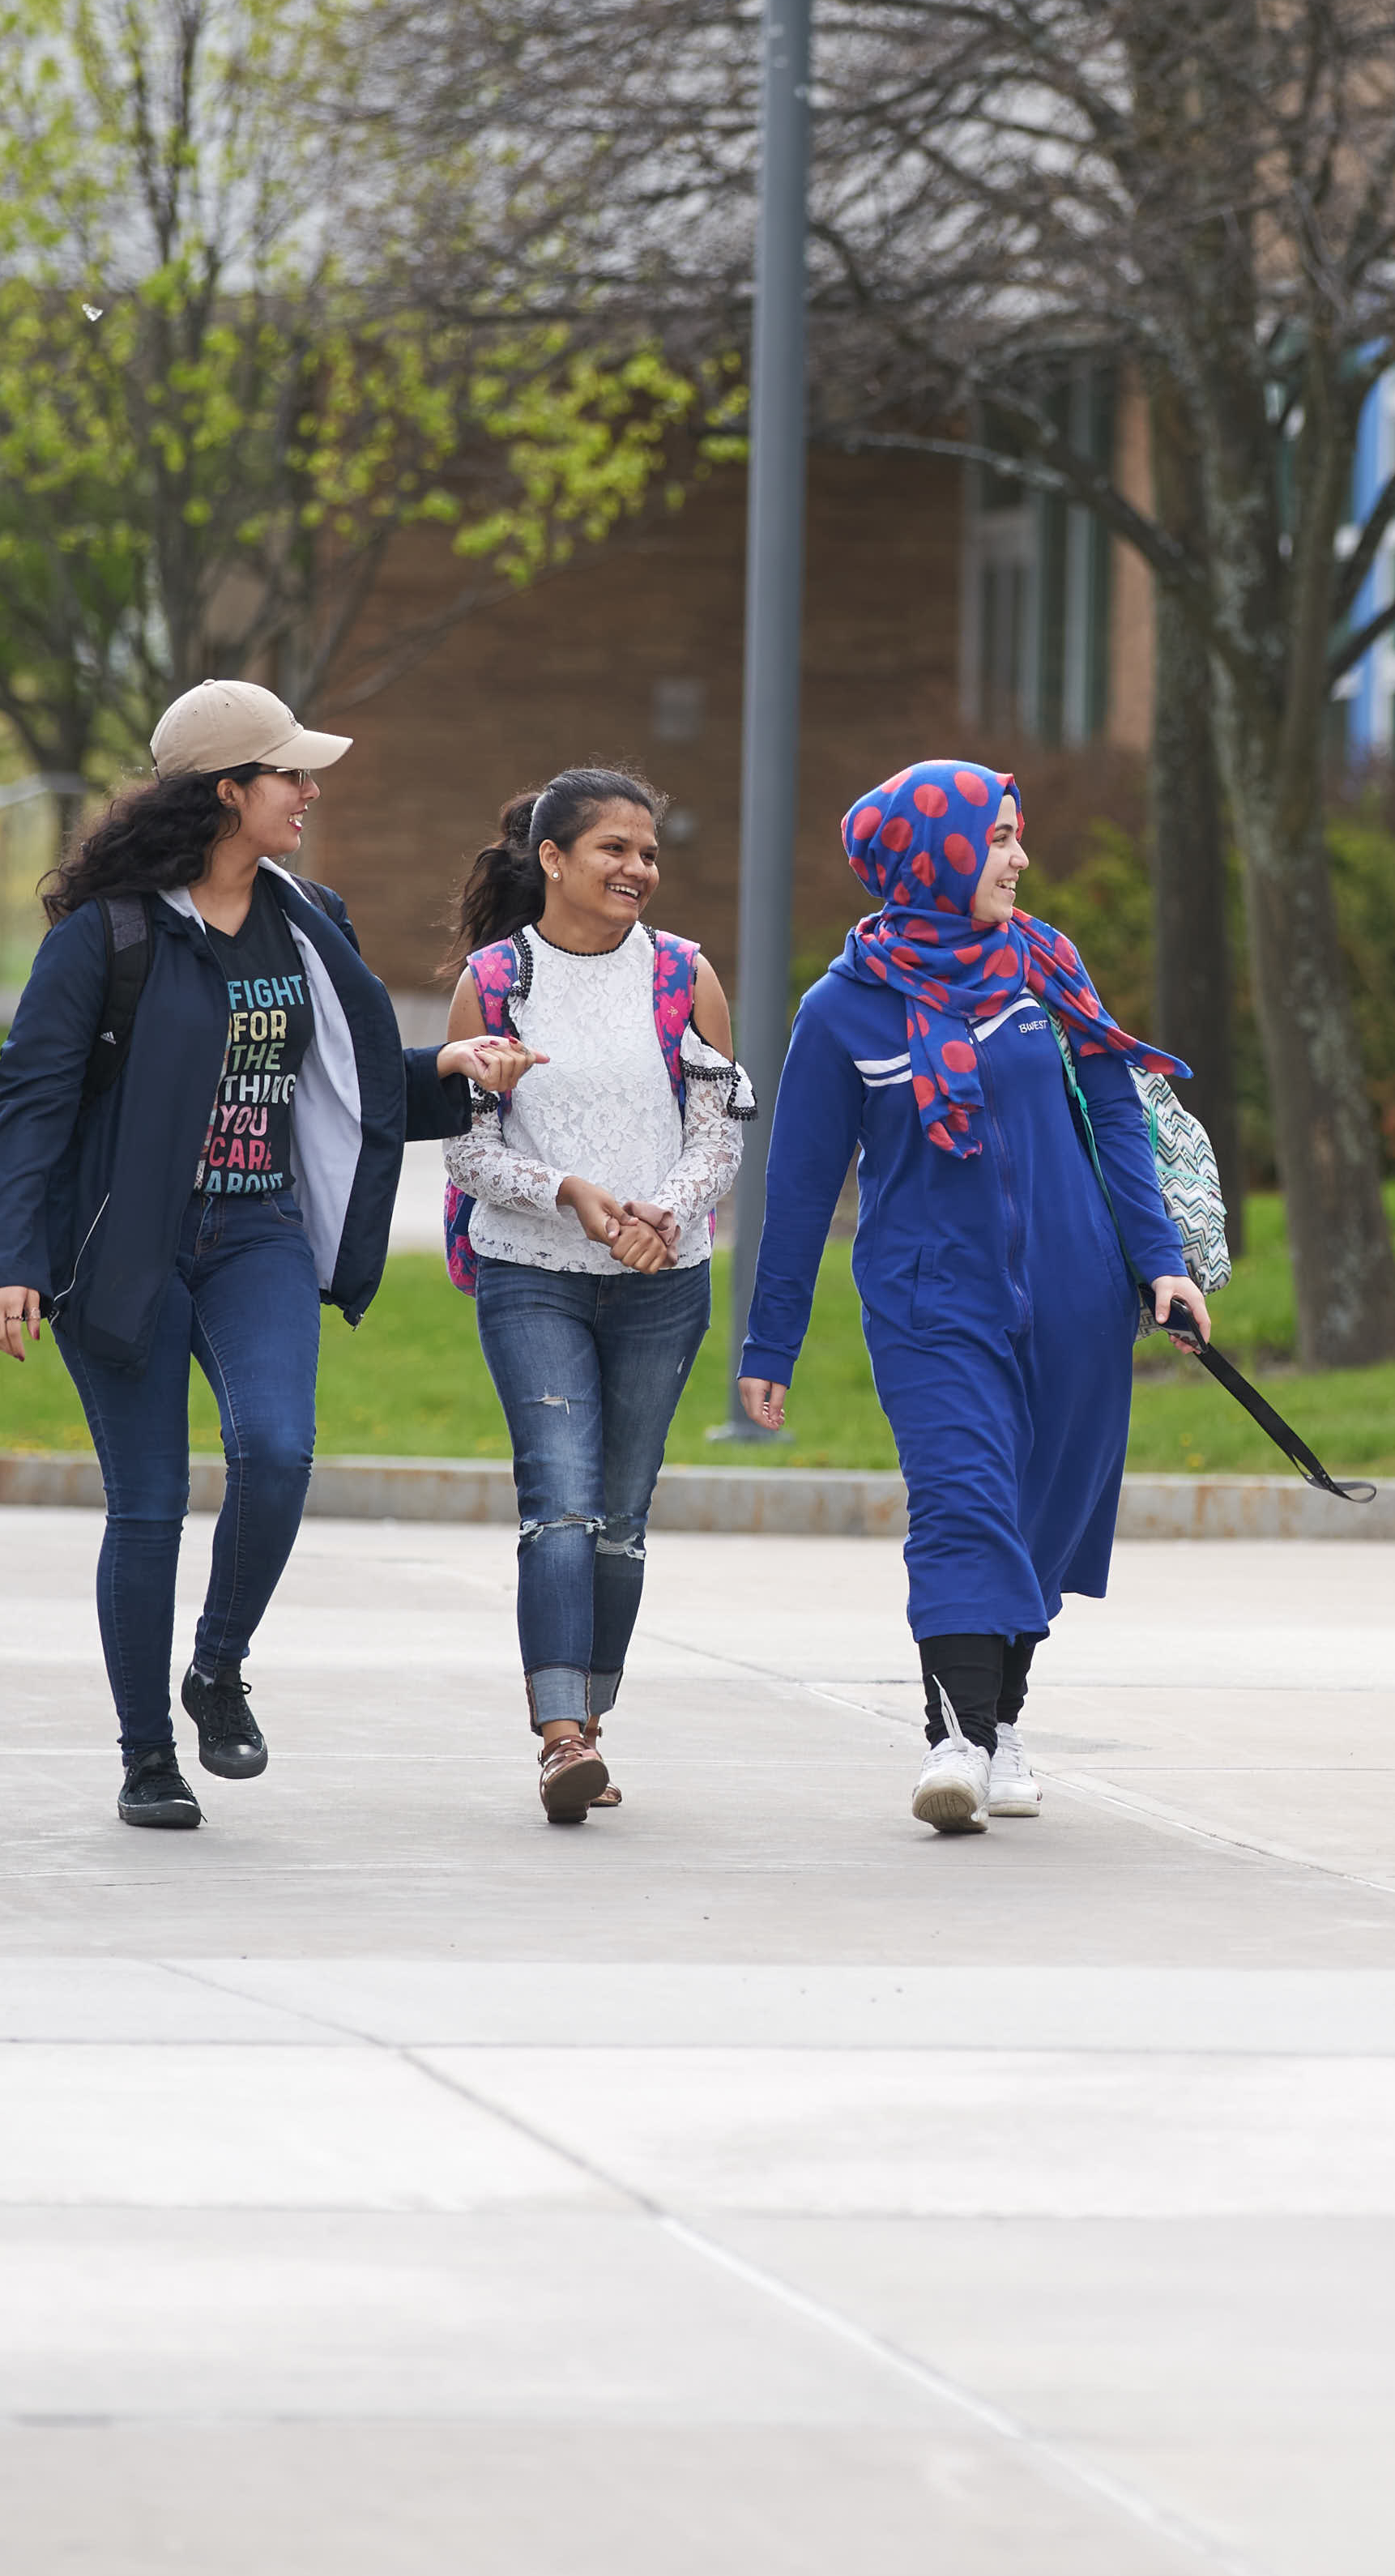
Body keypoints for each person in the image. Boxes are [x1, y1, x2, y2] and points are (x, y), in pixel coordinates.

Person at [0, 680, 536, 1831]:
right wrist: (7, 1263)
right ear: (228, 793)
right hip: (125, 1246)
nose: (310, 792)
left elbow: (353, 1086)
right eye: (289, 775)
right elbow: (25, 1104)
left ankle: (217, 1668)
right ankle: (146, 1759)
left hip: (257, 1231)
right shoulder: (108, 937)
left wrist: (452, 1069)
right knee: (150, 1503)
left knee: (277, 1451)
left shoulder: (307, 916)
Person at [729, 761, 1212, 1836]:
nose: (1019, 857)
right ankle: (956, 1738)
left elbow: (1116, 1117)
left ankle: (1002, 1726)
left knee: (1038, 1517)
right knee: (961, 1501)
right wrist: (770, 1344)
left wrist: (1160, 1261)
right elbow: (800, 1187)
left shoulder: (1045, 963)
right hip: (928, 1297)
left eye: (1017, 834)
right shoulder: (843, 1007)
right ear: (933, 850)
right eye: (997, 837)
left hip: (1078, 1289)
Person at [441, 767, 748, 1826]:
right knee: (559, 1505)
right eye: (615, 849)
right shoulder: (495, 982)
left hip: (663, 1289)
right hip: (534, 1280)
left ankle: (592, 1721)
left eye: (650, 852)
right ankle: (559, 1733)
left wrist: (666, 1210)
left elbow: (719, 1132)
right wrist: (564, 1191)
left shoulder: (683, 976)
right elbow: (467, 1154)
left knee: (619, 1522)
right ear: (553, 859)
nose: (639, 869)